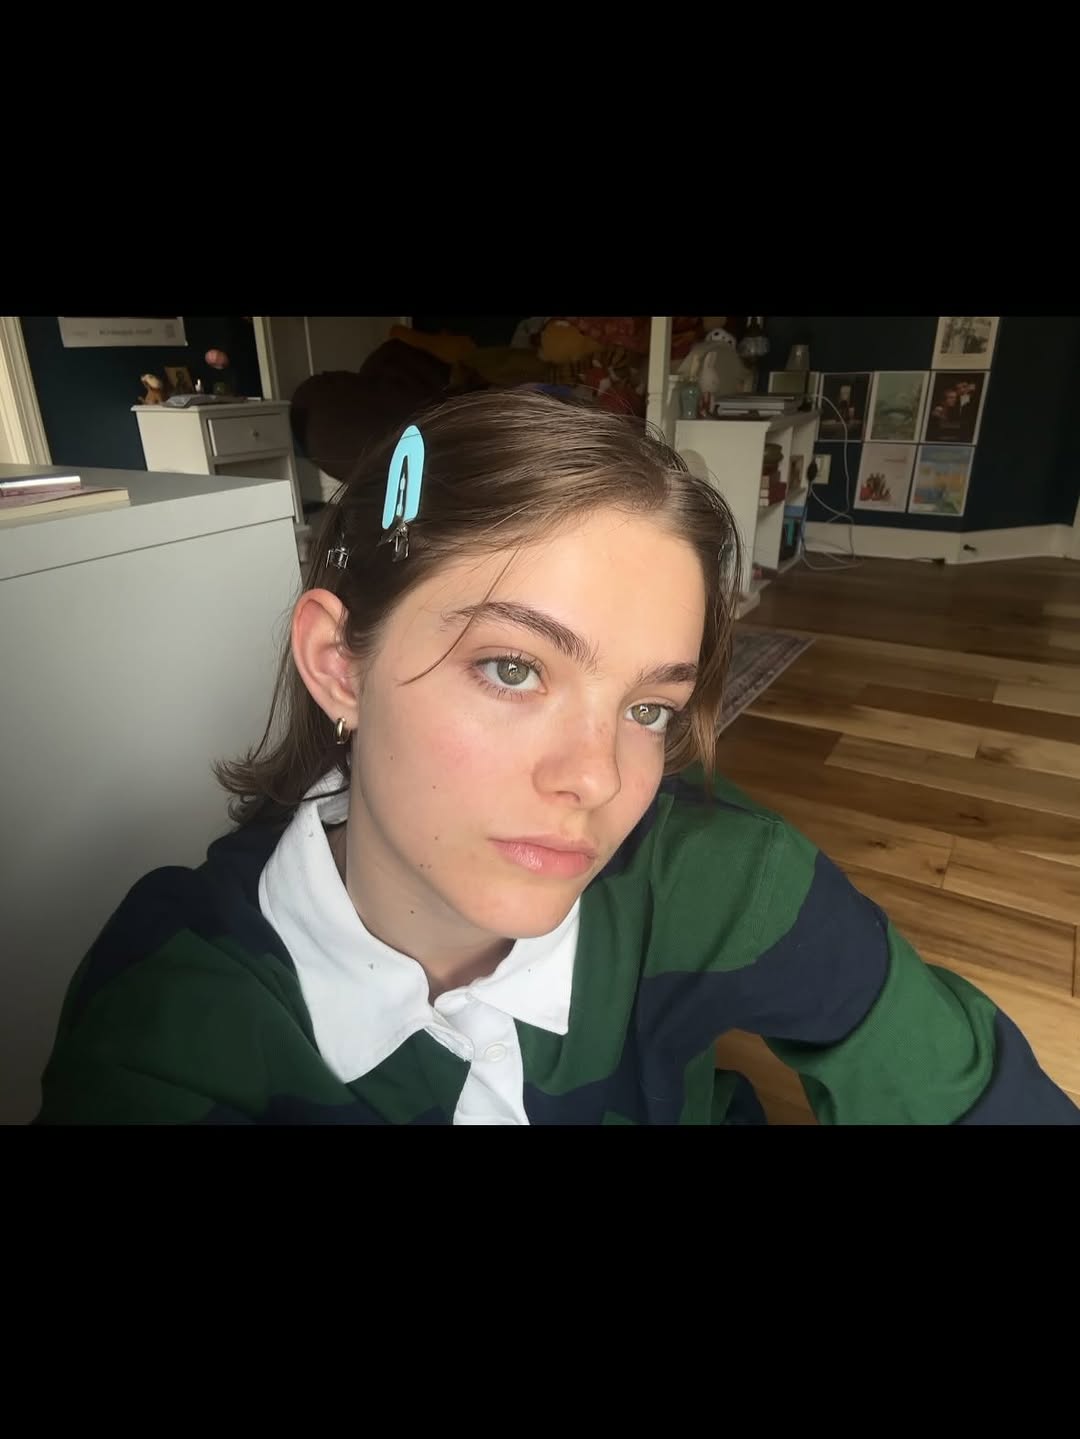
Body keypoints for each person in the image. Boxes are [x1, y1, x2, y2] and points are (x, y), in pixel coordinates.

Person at [36, 391, 1079, 1125]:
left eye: (648, 707)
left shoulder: (717, 876)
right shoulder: (172, 1016)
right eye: (512, 668)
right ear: (337, 665)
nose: (599, 778)